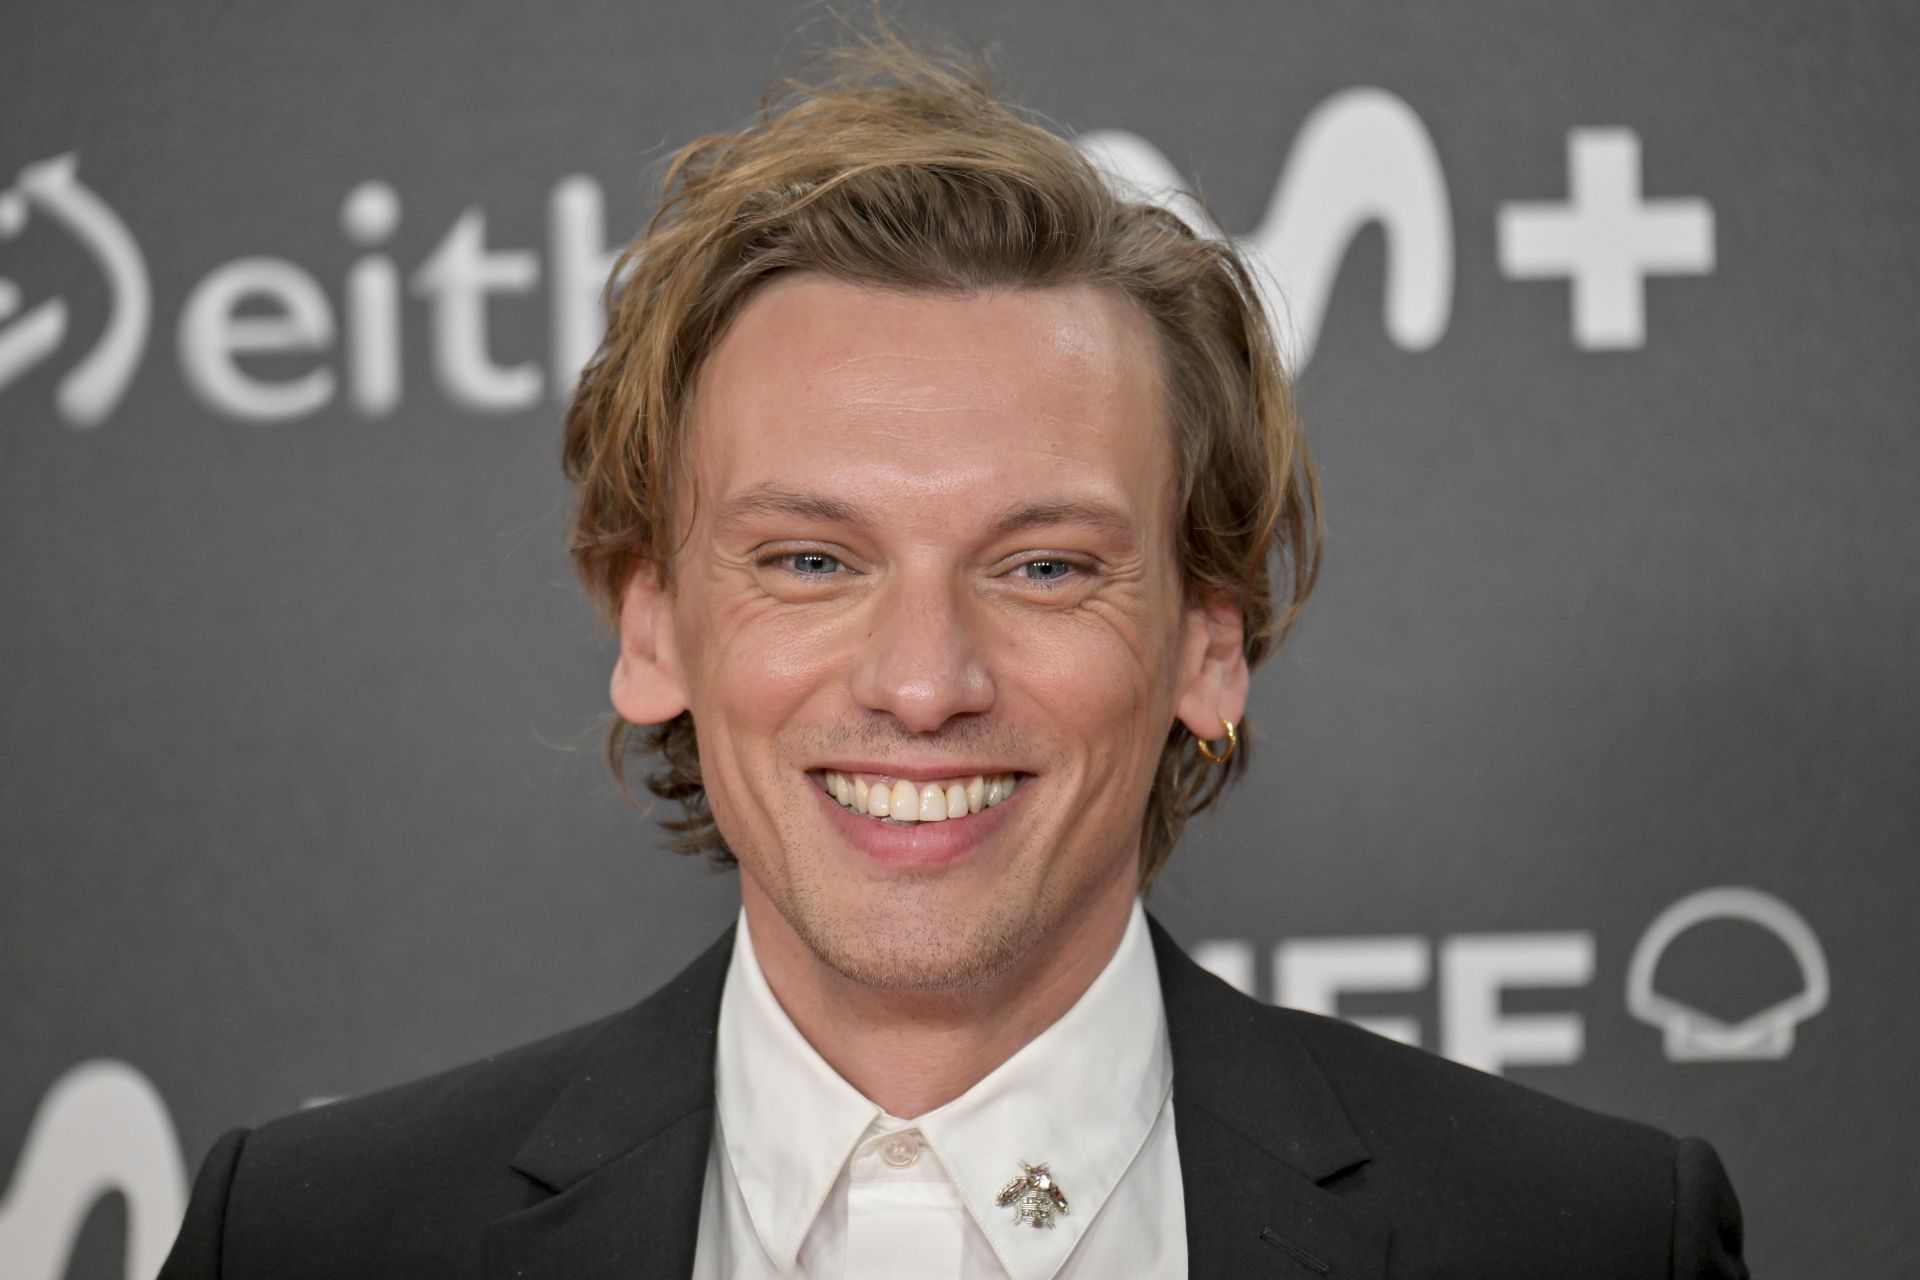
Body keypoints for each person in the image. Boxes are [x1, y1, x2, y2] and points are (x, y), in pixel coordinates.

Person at [159, 34, 1748, 1280]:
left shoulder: (1581, 1238)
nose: (923, 683)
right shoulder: (308, 1240)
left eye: (1045, 565)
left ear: (1209, 645)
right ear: (652, 628)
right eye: (810, 561)